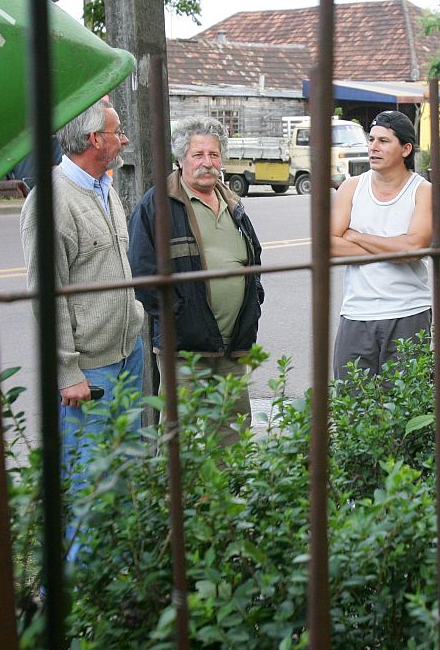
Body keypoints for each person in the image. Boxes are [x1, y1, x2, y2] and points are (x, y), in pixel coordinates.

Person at [19, 100, 146, 490]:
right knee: (89, 485)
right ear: (94, 140)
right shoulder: (50, 203)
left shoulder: (104, 187)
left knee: (126, 476)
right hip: (89, 371)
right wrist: (67, 372)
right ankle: (85, 555)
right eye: (117, 132)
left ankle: (124, 553)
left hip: (128, 356)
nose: (123, 140)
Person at [128, 116, 263, 444]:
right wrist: (179, 317)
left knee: (233, 438)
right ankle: (179, 498)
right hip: (185, 349)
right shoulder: (159, 203)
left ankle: (228, 495)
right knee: (182, 440)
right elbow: (143, 273)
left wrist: (253, 302)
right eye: (198, 155)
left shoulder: (233, 202)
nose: (207, 163)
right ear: (180, 158)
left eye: (214, 155)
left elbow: (254, 260)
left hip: (233, 347)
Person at [330, 110, 432, 380]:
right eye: (371, 139)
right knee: (352, 407)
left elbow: (414, 250)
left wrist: (356, 235)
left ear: (406, 149)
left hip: (408, 312)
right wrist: (394, 246)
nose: (373, 147)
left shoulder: (422, 191)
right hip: (356, 312)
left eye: (384, 141)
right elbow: (329, 247)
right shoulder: (351, 188)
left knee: (405, 407)